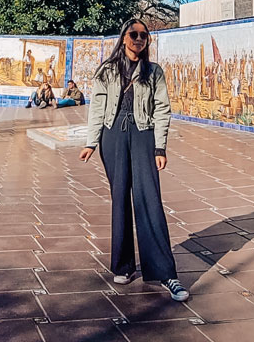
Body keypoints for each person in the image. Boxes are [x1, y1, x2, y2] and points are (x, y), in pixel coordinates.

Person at [79, 19, 189, 302]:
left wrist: (160, 147)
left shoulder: (153, 72)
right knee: (120, 198)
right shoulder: (106, 70)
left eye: (144, 35)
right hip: (113, 135)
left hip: (143, 135)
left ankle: (166, 273)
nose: (139, 39)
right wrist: (92, 142)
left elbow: (163, 109)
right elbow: (97, 109)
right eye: (134, 34)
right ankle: (123, 266)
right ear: (124, 37)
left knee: (149, 199)